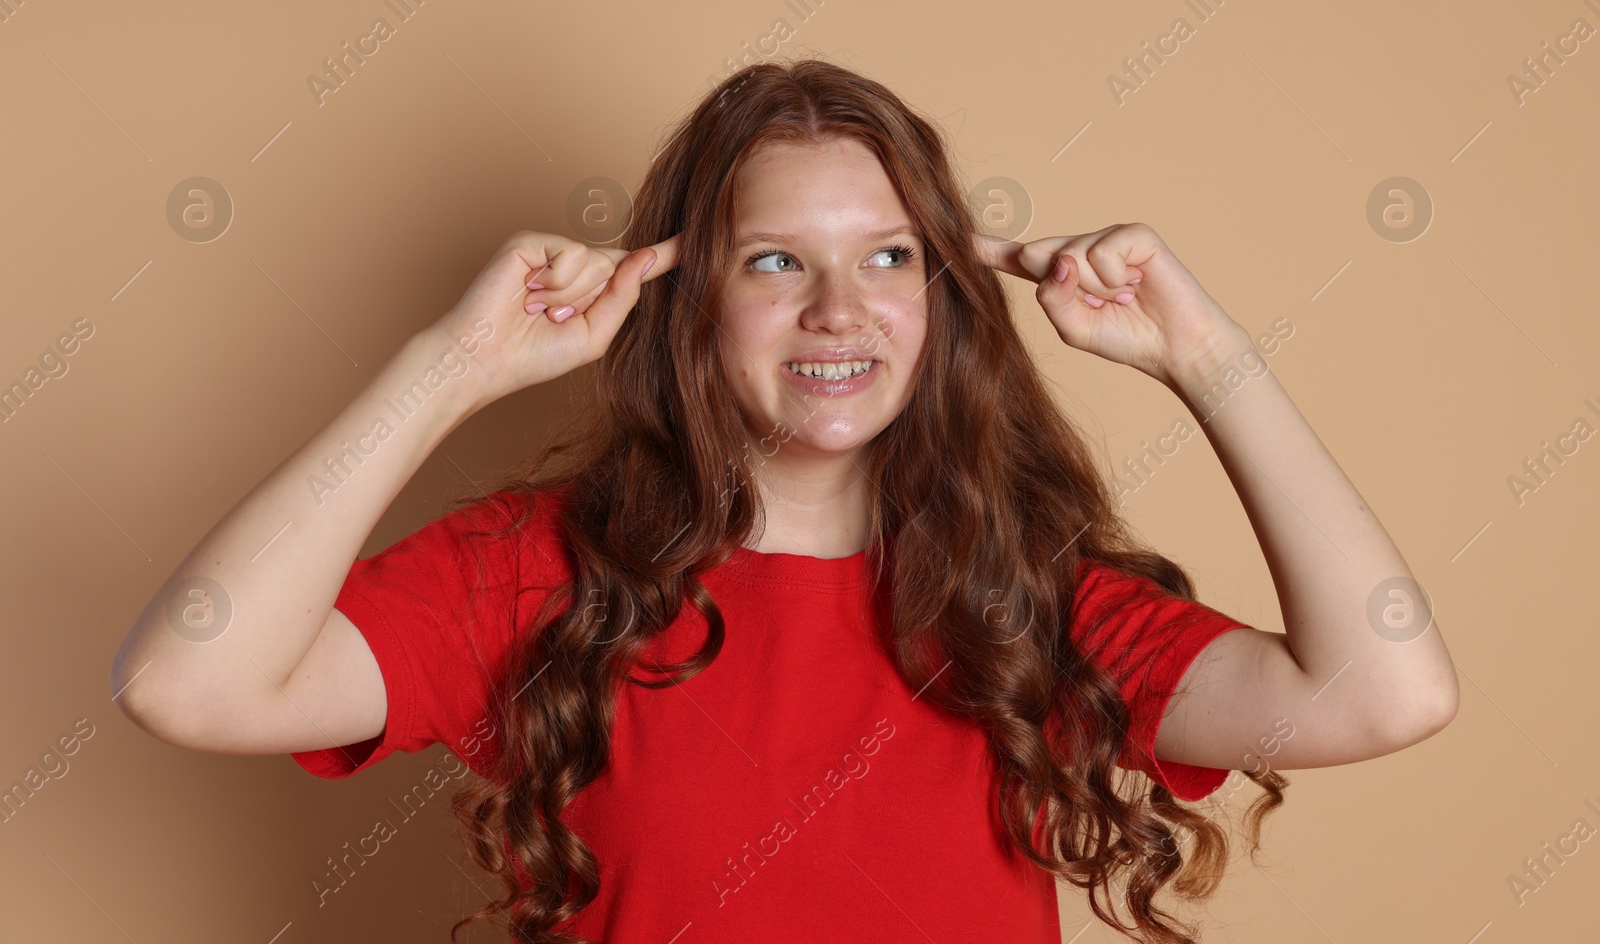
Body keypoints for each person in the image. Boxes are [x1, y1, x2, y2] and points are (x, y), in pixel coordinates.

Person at [111, 58, 1458, 944]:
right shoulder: (538, 572)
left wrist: (1208, 359)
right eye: (774, 260)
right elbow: (192, 682)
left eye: (887, 256)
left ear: (942, 299)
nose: (839, 309)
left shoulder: (1023, 598)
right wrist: (446, 371)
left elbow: (1384, 691)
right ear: (687, 294)